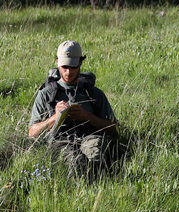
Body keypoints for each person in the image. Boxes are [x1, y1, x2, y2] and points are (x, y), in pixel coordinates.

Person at [28, 40, 118, 180]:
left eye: (73, 67)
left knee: (95, 153)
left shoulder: (94, 93)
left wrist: (87, 116)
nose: (68, 72)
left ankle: (100, 184)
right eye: (64, 67)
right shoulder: (45, 94)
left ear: (80, 63)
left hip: (90, 137)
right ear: (57, 62)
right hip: (60, 140)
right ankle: (77, 190)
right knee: (74, 161)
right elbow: (32, 132)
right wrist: (55, 117)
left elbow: (113, 129)